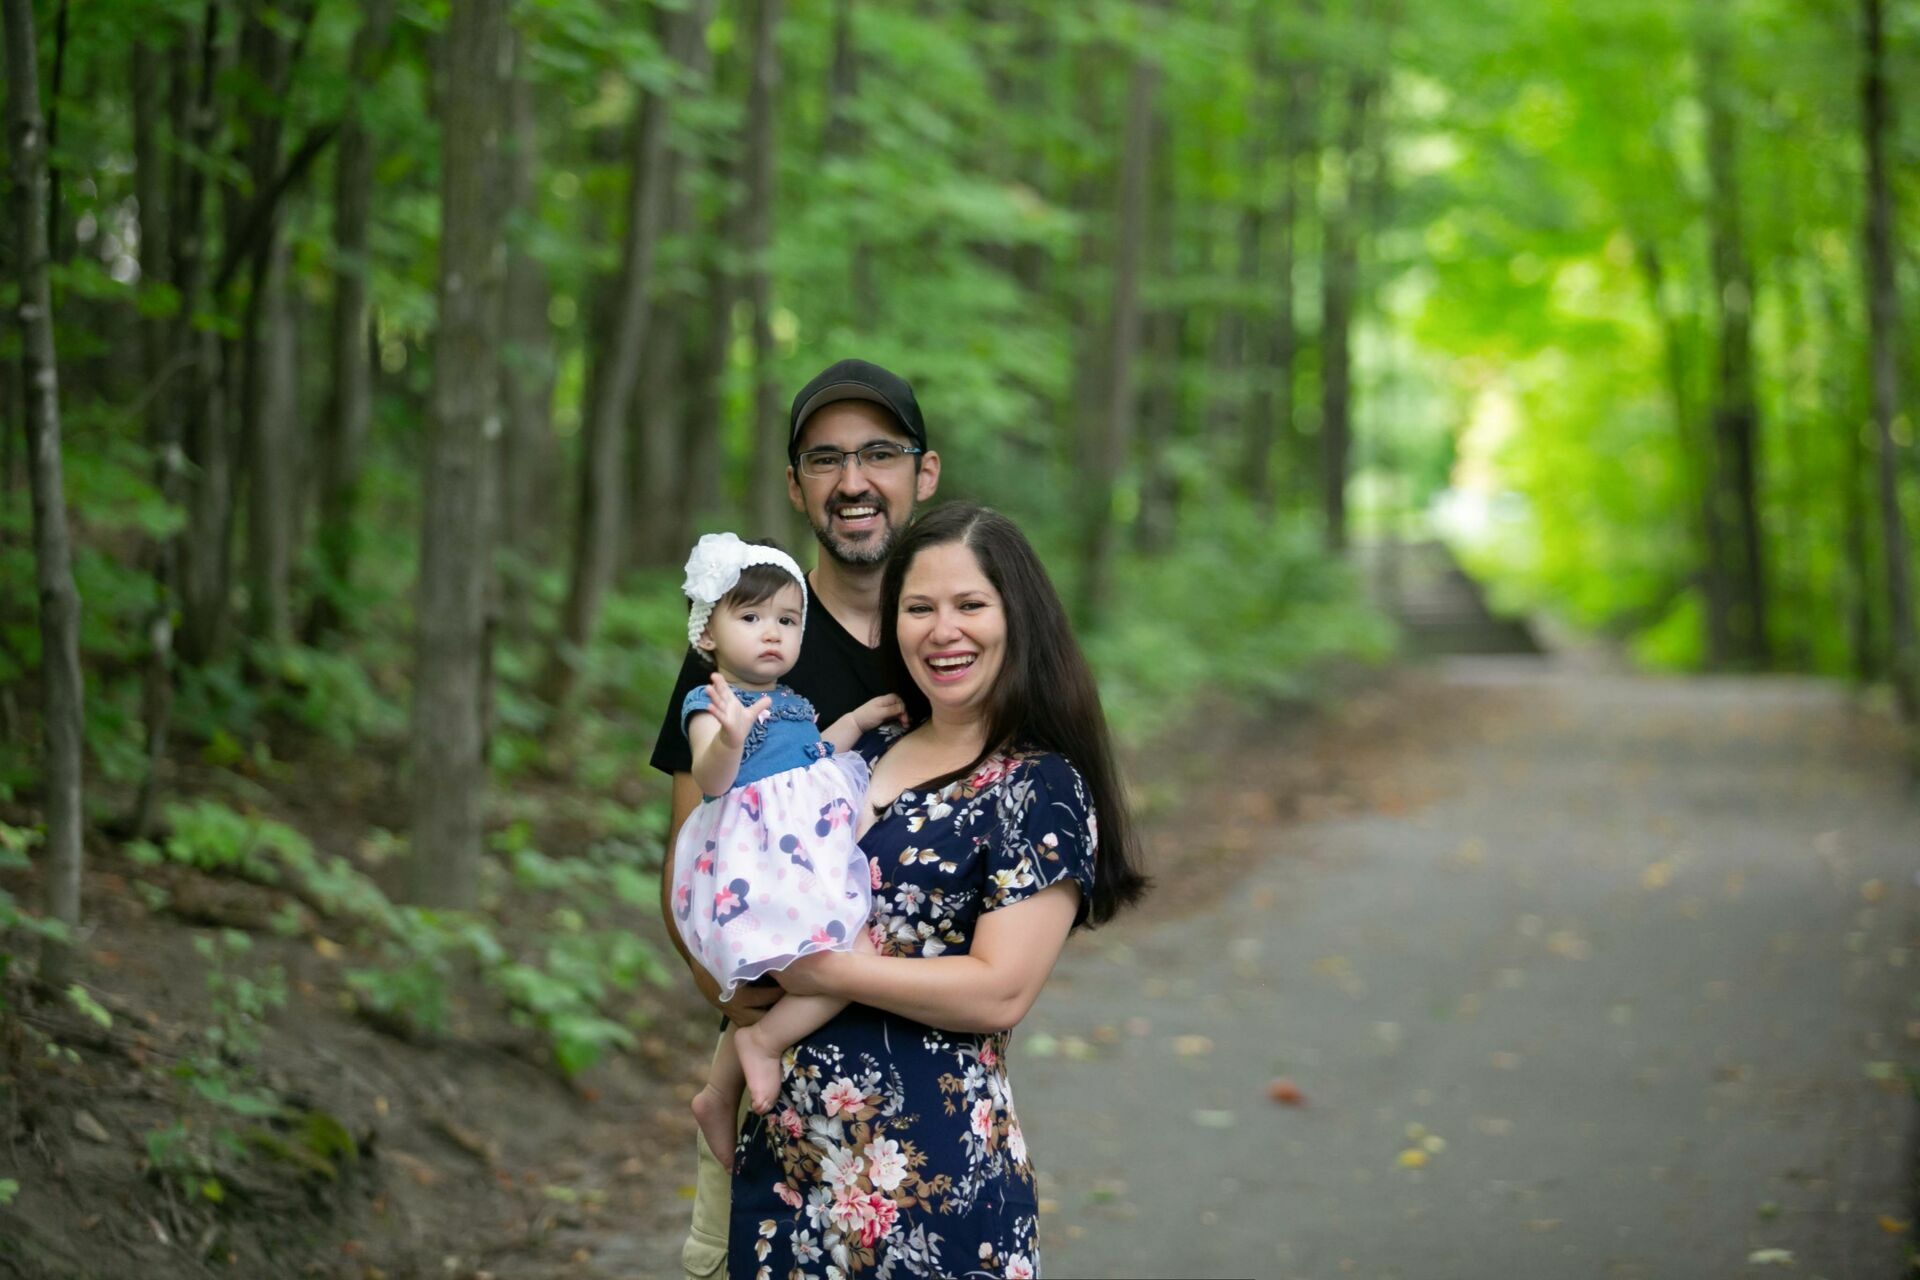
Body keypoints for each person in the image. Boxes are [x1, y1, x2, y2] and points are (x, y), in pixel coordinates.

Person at [728, 501, 1150, 1277]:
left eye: (970, 605)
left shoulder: (1038, 787)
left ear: (1017, 618)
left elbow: (998, 991)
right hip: (789, 1176)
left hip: (932, 1187)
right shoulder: (863, 748)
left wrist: (827, 970)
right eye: (919, 607)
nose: (943, 630)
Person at [651, 359, 942, 1280]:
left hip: (927, 1083)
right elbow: (689, 859)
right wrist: (735, 1003)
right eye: (826, 459)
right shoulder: (743, 646)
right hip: (775, 1083)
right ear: (795, 484)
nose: (853, 480)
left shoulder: (952, 647)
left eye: (879, 453)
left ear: (924, 473)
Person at [668, 532, 905, 1171]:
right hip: (757, 867)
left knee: (833, 960)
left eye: (788, 620)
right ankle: (764, 1045)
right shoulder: (710, 702)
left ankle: (719, 1092)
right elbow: (711, 779)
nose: (771, 632)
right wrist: (730, 738)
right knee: (848, 956)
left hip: (799, 857)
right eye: (750, 618)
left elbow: (815, 752)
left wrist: (859, 720)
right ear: (708, 633)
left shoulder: (794, 702)